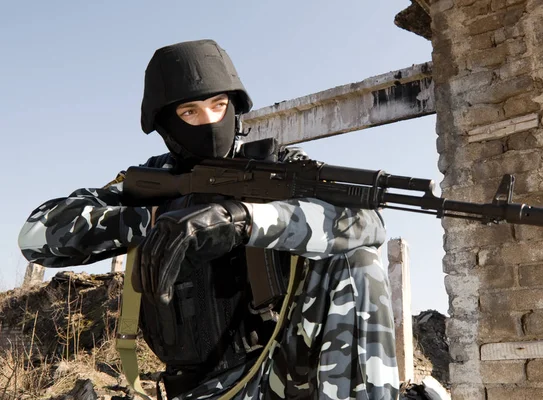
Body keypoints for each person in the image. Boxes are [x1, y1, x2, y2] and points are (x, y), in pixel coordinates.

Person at [18, 39, 400, 400]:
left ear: (235, 108)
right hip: (199, 388)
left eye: (218, 105)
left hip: (279, 373)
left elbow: (368, 224)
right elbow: (36, 235)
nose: (209, 121)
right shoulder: (151, 181)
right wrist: (160, 219)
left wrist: (245, 219)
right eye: (190, 112)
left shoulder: (280, 171)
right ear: (166, 124)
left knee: (358, 261)